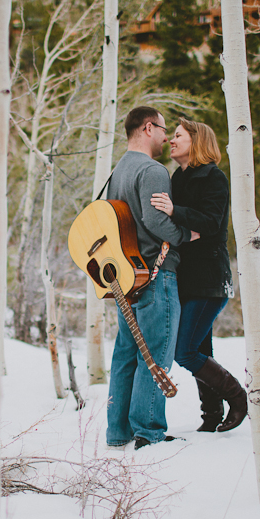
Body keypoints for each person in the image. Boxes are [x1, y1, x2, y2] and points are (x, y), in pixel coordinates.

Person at [105, 106, 198, 450]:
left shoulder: (117, 172)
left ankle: (118, 434)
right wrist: (189, 235)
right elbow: (157, 222)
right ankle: (149, 433)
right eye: (161, 130)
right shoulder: (153, 170)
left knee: (127, 353)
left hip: (125, 277)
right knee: (156, 353)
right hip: (155, 274)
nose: (164, 137)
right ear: (147, 128)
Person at [150, 117, 247, 433]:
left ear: (197, 141)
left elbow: (210, 222)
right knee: (201, 350)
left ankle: (238, 397)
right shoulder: (179, 177)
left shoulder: (213, 177)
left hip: (209, 280)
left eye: (177, 136)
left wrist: (174, 211)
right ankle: (211, 417)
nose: (171, 141)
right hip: (185, 278)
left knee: (186, 351)